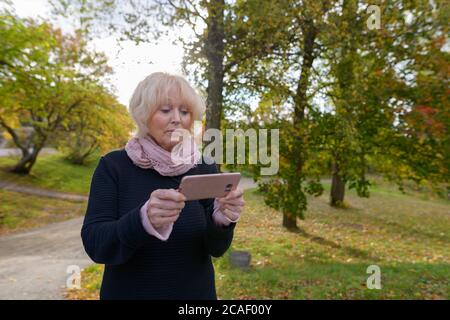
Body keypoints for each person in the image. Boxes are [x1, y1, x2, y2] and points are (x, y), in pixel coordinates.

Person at [81, 72, 245, 300]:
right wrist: (142, 220)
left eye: (185, 111)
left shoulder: (204, 166)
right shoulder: (113, 166)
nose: (177, 119)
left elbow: (216, 249)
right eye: (165, 110)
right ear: (143, 115)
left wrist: (222, 220)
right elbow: (96, 245)